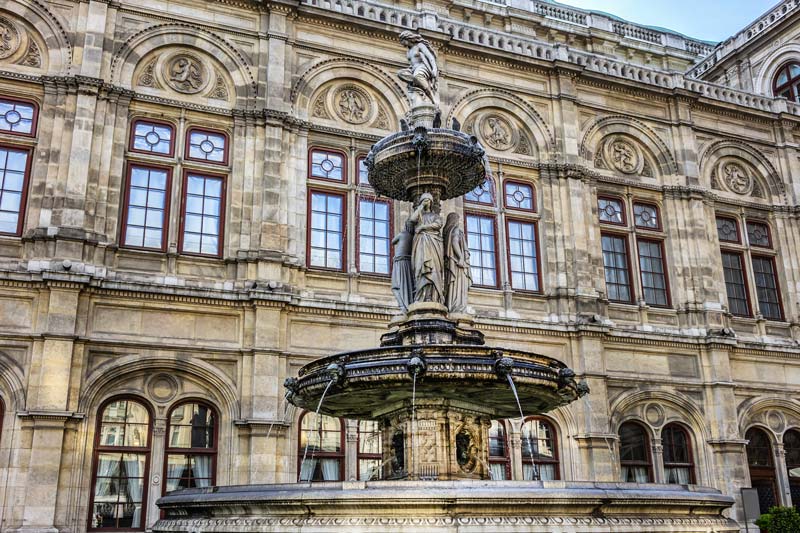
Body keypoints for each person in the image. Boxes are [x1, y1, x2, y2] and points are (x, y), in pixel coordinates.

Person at [409, 193, 444, 304]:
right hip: (420, 242)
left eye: (428, 200)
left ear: (432, 202)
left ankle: (432, 296)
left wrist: (423, 227)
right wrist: (420, 207)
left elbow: (438, 224)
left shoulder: (435, 216)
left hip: (433, 243)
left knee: (433, 268)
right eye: (424, 200)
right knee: (419, 267)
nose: (427, 202)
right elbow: (412, 219)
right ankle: (420, 295)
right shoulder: (419, 214)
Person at [398, 31, 439, 107]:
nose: (402, 44)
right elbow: (411, 64)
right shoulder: (408, 52)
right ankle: (417, 82)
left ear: (407, 38)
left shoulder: (419, 45)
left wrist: (434, 69)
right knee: (400, 73)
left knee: (417, 76)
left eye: (402, 41)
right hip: (413, 69)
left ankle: (432, 97)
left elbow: (430, 57)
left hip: (422, 67)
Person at [443, 212, 471, 314]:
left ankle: (451, 304)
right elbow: (455, 242)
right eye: (458, 220)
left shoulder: (446, 233)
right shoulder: (455, 230)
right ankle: (458, 307)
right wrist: (461, 257)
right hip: (458, 264)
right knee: (459, 284)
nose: (459, 222)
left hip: (451, 264)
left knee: (452, 285)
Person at [391, 221, 415, 312]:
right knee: (407, 284)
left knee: (395, 286)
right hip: (408, 262)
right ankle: (407, 304)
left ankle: (402, 306)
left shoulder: (402, 234)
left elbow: (393, 241)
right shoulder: (413, 237)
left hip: (399, 261)